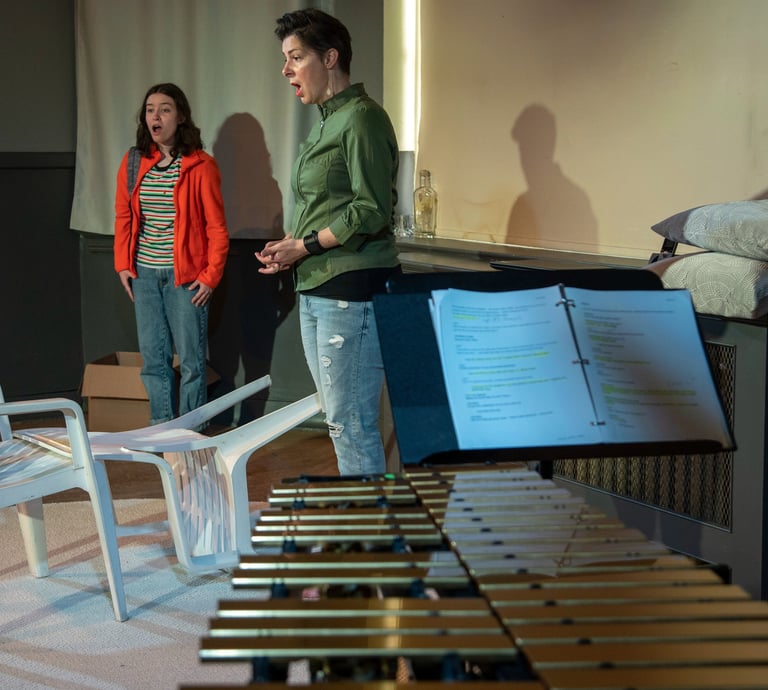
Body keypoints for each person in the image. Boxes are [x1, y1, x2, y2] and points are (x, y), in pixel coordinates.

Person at [256, 8, 401, 476]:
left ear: (330, 57)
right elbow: (328, 208)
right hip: (318, 285)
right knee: (339, 421)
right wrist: (291, 247)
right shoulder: (325, 121)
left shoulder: (362, 119)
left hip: (352, 287)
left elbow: (371, 208)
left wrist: (307, 246)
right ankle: (365, 526)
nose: (286, 70)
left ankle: (373, 539)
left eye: (296, 58)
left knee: (350, 422)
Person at [114, 83, 229, 425]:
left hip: (187, 278)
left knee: (192, 361)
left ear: (180, 117)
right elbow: (124, 215)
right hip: (145, 274)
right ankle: (161, 428)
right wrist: (123, 263)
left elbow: (217, 229)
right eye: (150, 109)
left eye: (164, 109)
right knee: (154, 359)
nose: (156, 116)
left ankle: (190, 431)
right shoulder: (134, 161)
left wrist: (210, 277)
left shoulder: (200, 165)